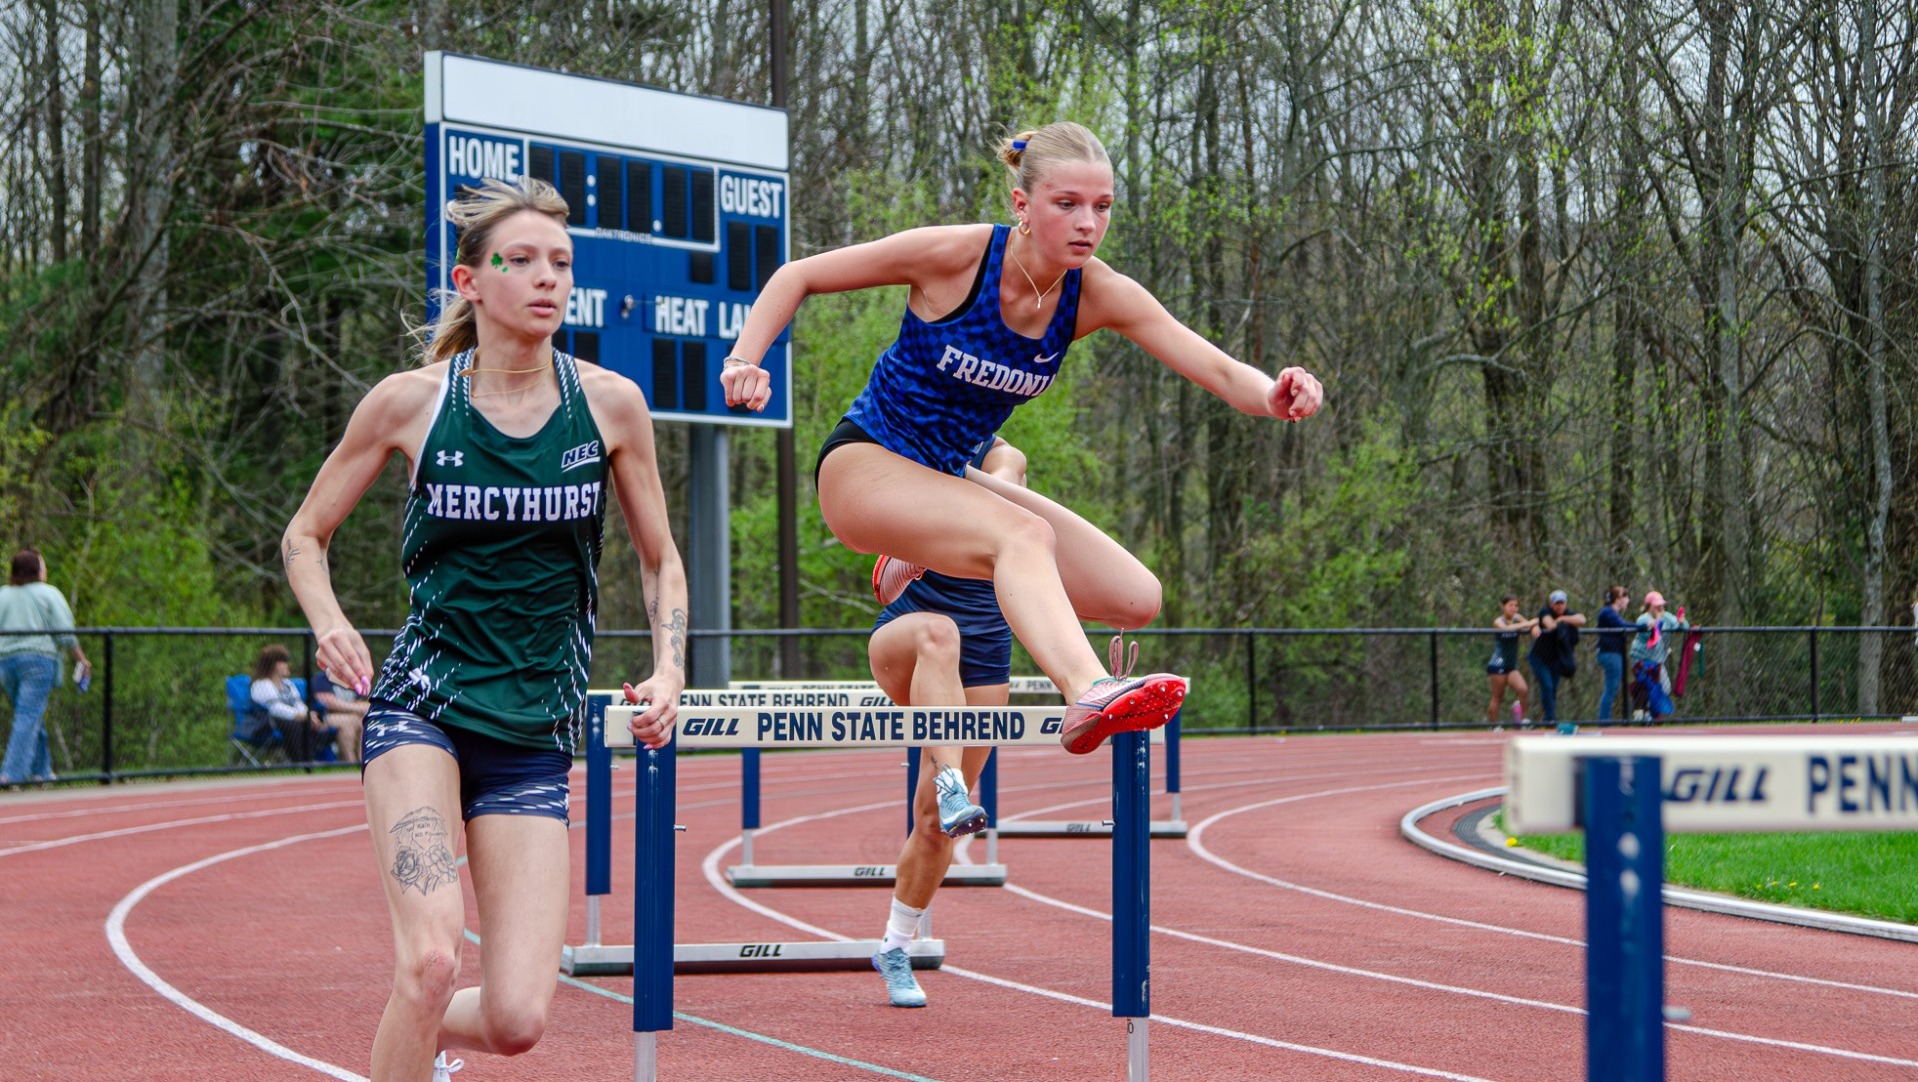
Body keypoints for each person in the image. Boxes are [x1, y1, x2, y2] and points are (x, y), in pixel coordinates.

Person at [719, 122, 1324, 755]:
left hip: (950, 477)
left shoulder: (1097, 294)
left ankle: (931, 548)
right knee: (1023, 533)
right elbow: (797, 274)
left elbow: (1223, 372)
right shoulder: (958, 256)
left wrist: (1273, 395)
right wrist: (744, 360)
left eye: (1102, 206)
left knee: (1136, 597)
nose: (1087, 223)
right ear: (1022, 206)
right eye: (1067, 205)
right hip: (867, 462)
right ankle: (1088, 690)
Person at [281, 176, 688, 1082]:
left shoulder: (612, 405)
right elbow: (305, 536)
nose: (548, 279)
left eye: (562, 263)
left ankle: (415, 1041)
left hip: (531, 732)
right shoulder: (411, 402)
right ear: (471, 280)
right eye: (522, 261)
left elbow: (660, 561)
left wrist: (669, 670)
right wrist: (329, 620)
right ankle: (413, 1019)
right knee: (427, 964)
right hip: (421, 711)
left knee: (515, 1020)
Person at [867, 435, 1027, 1008]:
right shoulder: (901, 446)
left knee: (935, 823)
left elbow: (1007, 487)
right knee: (941, 634)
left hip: (986, 652)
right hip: (909, 633)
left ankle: (893, 947)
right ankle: (951, 778)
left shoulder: (1004, 459)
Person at [0, 549, 89, 785]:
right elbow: (64, 631)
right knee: (28, 714)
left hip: (6, 662)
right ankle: (11, 774)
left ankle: (42, 772)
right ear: (37, 570)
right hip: (38, 661)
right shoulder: (48, 594)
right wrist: (81, 658)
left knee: (27, 714)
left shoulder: (4, 595)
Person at [248, 643, 332, 763]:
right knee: (294, 725)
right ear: (272, 665)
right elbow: (274, 708)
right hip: (267, 724)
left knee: (314, 721)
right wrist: (298, 715)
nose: (287, 666)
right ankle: (300, 762)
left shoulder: (288, 685)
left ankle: (310, 759)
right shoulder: (261, 685)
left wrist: (309, 715)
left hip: (292, 720)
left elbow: (298, 704)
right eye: (283, 662)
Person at [1527, 589, 1585, 727]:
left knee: (1552, 689)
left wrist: (1562, 619)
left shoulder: (1567, 614)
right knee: (1547, 685)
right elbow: (1550, 625)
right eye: (1556, 603)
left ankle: (1549, 718)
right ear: (1551, 603)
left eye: (1562, 603)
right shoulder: (1545, 612)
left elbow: (1582, 619)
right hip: (1539, 658)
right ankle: (1550, 718)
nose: (1559, 606)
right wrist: (1557, 621)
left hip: (1556, 659)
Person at [1630, 590, 1688, 721]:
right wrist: (1656, 621)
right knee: (1649, 686)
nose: (1660, 608)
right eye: (1656, 605)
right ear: (1649, 606)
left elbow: (1683, 627)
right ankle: (1646, 714)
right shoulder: (1643, 619)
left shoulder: (1666, 616)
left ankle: (1646, 712)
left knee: (1665, 688)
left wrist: (1681, 622)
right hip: (1642, 660)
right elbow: (1646, 635)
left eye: (1661, 605)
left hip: (1657, 661)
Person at [1485, 594, 1537, 728]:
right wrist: (1528, 624)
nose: (1513, 608)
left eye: (1516, 605)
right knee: (1497, 696)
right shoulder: (1498, 621)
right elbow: (1506, 629)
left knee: (1523, 689)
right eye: (1510, 605)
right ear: (1504, 607)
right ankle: (1494, 725)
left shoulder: (1518, 619)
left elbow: (1531, 624)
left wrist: (1534, 627)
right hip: (1498, 663)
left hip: (1511, 665)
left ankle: (1520, 720)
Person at [312, 664, 368, 764]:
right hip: (324, 717)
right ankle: (350, 762)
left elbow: (363, 704)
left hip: (351, 717)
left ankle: (362, 760)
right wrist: (354, 708)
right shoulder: (322, 678)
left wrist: (351, 708)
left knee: (364, 720)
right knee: (348, 722)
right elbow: (328, 702)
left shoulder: (352, 681)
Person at [1593, 585, 1633, 724]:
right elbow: (1622, 625)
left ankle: (1605, 720)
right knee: (1611, 688)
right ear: (1618, 599)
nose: (1628, 600)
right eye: (1625, 596)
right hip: (1609, 654)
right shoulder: (1608, 612)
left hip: (1615, 653)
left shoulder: (1612, 613)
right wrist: (1644, 627)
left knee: (1613, 687)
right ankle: (1604, 721)